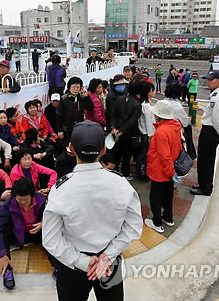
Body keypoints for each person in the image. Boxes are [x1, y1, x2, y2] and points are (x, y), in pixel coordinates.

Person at [42, 120, 143, 301]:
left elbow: (50, 239)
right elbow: (134, 227)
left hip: (72, 264)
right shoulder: (121, 183)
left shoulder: (61, 188)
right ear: (103, 149)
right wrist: (108, 255)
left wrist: (83, 261)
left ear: (71, 148)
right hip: (109, 262)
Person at [0, 178, 57, 291]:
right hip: (17, 234)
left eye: (26, 200)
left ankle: (56, 266)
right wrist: (2, 254)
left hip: (36, 231)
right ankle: (7, 269)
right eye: (19, 199)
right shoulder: (8, 205)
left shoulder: (41, 200)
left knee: (51, 230)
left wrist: (43, 223)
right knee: (2, 230)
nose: (22, 203)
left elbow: (55, 216)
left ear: (32, 195)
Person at [144, 100, 182, 233]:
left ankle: (157, 222)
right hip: (170, 169)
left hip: (161, 170)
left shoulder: (161, 131)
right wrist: (173, 173)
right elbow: (178, 148)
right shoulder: (176, 126)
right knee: (168, 195)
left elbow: (164, 156)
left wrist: (169, 171)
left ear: (159, 115)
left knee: (155, 197)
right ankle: (168, 218)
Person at [191, 70, 219, 196]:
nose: (208, 82)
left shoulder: (216, 98)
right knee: (208, 160)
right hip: (212, 131)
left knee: (204, 161)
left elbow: (216, 118)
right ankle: (205, 185)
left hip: (210, 131)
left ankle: (205, 188)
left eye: (211, 80)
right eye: (208, 79)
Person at [109, 81, 143, 180]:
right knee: (126, 155)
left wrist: (114, 127)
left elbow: (113, 114)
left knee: (116, 153)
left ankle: (113, 170)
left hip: (116, 131)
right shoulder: (137, 104)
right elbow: (132, 121)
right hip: (128, 133)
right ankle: (125, 174)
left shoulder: (120, 99)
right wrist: (122, 130)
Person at [56, 76, 94, 143]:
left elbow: (90, 108)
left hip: (80, 127)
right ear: (69, 87)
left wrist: (87, 96)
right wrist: (60, 130)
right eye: (73, 87)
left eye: (77, 87)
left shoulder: (82, 98)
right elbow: (59, 115)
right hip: (67, 129)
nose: (75, 89)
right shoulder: (64, 99)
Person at [137, 81, 156, 180]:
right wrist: (150, 135)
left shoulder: (143, 103)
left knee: (142, 153)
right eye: (153, 90)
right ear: (149, 92)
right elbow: (149, 122)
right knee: (144, 154)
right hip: (146, 134)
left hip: (142, 132)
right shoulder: (147, 106)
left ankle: (141, 171)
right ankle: (142, 173)